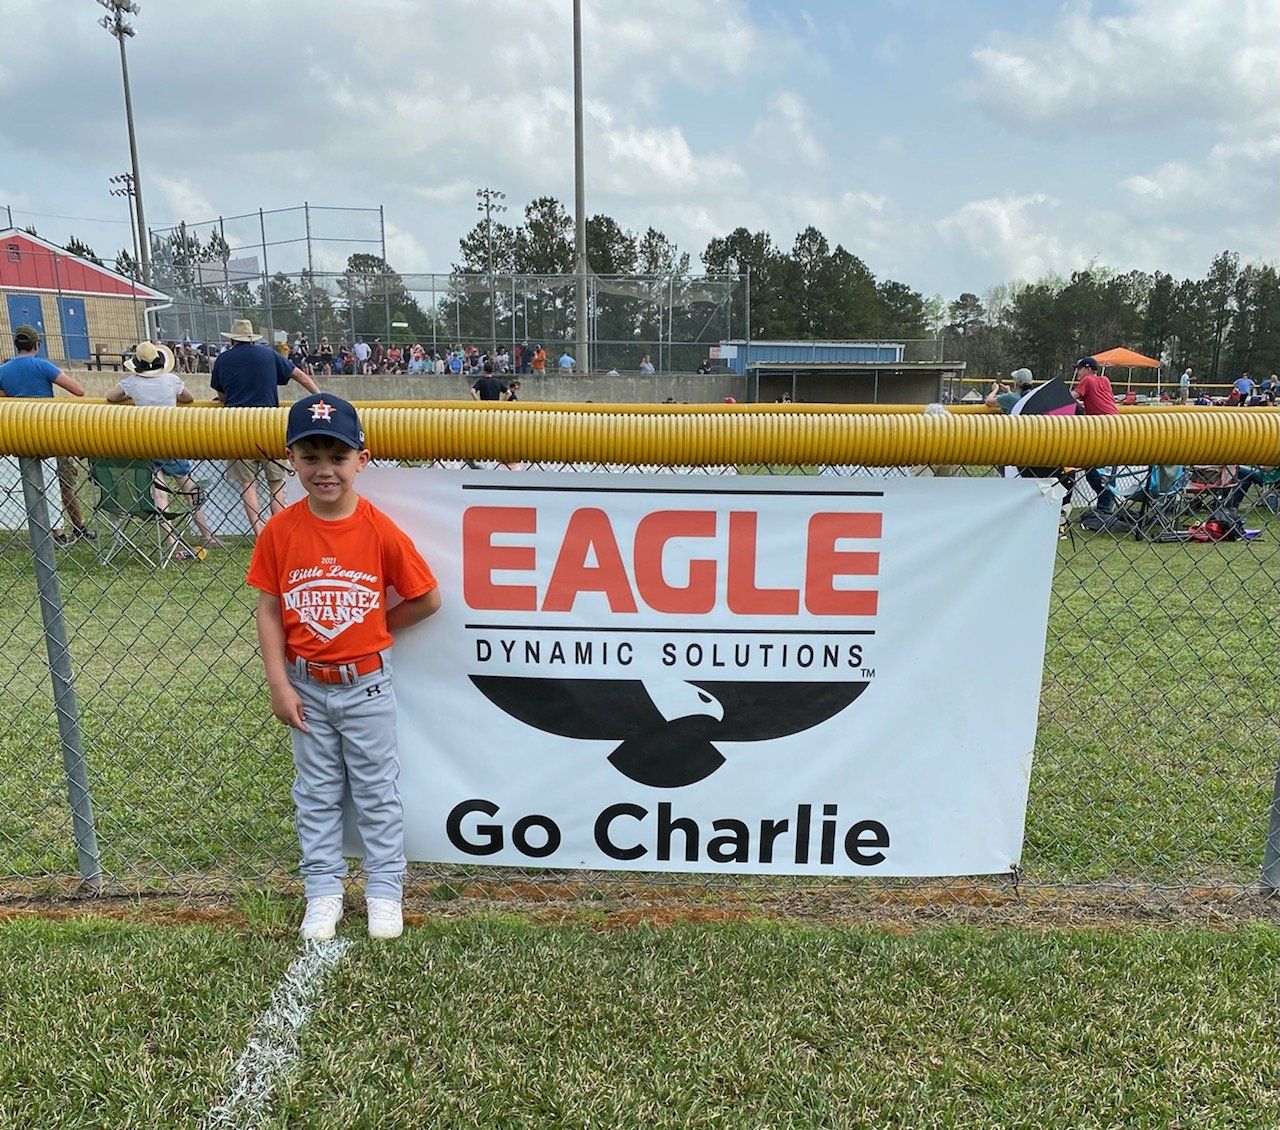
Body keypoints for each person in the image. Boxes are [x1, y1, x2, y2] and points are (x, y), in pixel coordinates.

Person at [248, 393, 440, 940]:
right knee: (316, 791)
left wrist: (375, 630)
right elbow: (268, 609)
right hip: (306, 684)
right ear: (292, 459)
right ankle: (324, 892)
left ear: (363, 459)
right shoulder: (281, 531)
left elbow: (426, 598)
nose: (324, 469)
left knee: (377, 791)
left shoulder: (378, 529)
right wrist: (279, 684)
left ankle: (384, 892)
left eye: (337, 456)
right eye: (310, 456)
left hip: (367, 684)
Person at [211, 318, 320, 537]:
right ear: (252, 339)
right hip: (269, 424)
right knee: (276, 481)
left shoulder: (222, 360)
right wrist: (320, 397)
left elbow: (222, 395)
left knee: (247, 482)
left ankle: (259, 532)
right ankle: (278, 530)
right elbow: (299, 375)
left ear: (232, 339)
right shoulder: (269, 355)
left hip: (238, 425)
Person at [106, 340, 219, 552]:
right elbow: (188, 398)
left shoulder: (131, 382)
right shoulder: (172, 380)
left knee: (160, 493)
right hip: (171, 440)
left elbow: (110, 397)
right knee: (189, 487)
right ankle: (207, 534)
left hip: (147, 443)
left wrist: (131, 397)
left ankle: (170, 540)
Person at [0, 324, 96, 542]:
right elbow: (78, 391)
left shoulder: (3, 370)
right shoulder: (43, 365)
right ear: (37, 344)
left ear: (16, 345)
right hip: (49, 432)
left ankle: (48, 529)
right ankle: (77, 526)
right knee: (64, 483)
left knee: (34, 483)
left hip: (19, 434)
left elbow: (3, 398)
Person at [1071, 356, 1118, 514]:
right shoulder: (1105, 380)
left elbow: (1071, 398)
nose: (1077, 372)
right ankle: (1106, 502)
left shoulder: (1088, 380)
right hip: (1117, 425)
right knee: (1108, 466)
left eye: (1079, 368)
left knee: (1090, 466)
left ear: (1087, 369)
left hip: (1101, 428)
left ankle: (1104, 502)